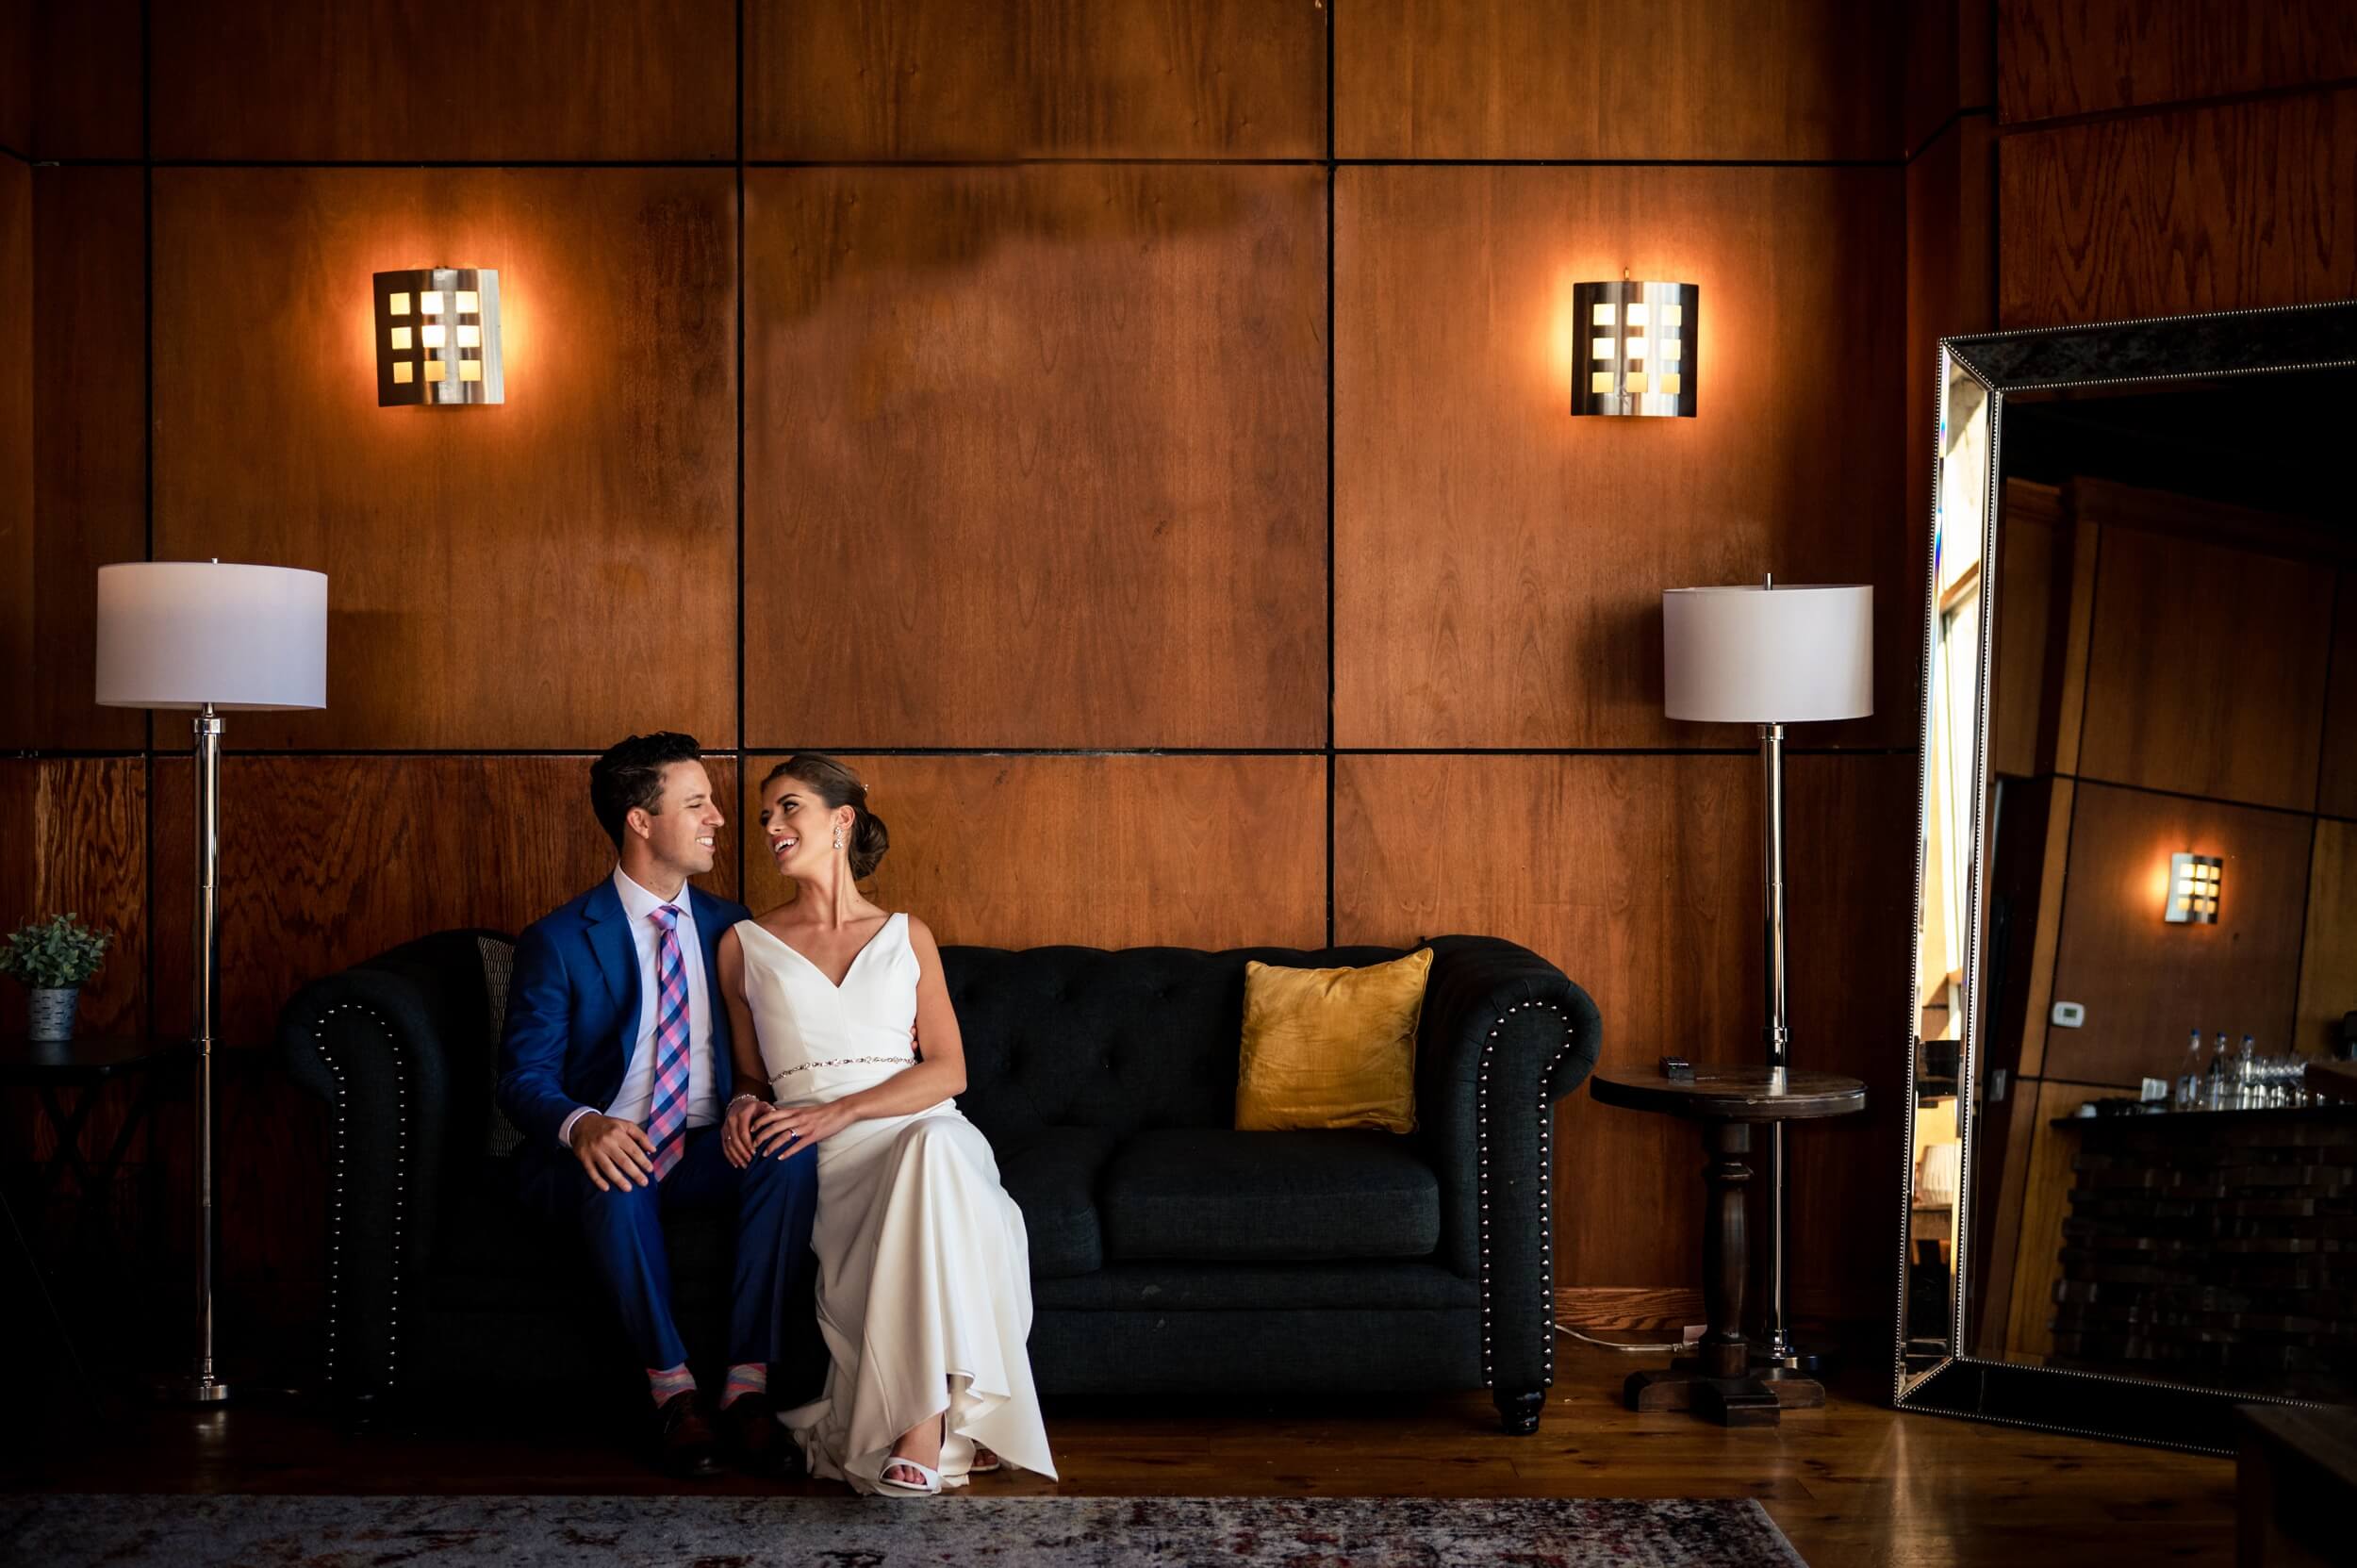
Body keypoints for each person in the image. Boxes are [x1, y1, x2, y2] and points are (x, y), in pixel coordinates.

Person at [716, 753, 1055, 1496]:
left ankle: (921, 1423)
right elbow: (749, 1073)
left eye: (788, 807)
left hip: (923, 1124)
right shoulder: (743, 946)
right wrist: (744, 1102)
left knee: (936, 1146)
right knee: (926, 1164)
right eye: (766, 813)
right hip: (834, 1160)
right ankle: (941, 1416)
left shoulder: (909, 934)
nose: (771, 824)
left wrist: (843, 1106)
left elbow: (949, 1071)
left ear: (841, 821)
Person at [496, 732, 823, 1479]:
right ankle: (673, 1393)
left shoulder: (734, 927)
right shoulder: (559, 939)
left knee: (788, 1148)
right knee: (620, 1167)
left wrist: (748, 1101)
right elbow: (522, 1076)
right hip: (608, 1144)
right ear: (640, 821)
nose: (717, 817)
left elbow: (755, 1061)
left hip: (709, 1146)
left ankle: (747, 1388)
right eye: (697, 803)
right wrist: (584, 1124)